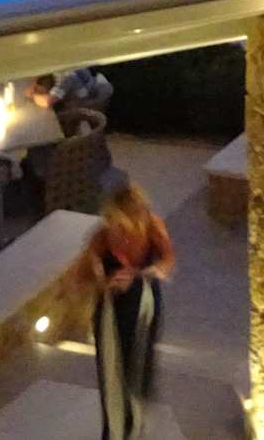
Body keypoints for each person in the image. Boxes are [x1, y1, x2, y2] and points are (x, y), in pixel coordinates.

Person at [74, 181, 175, 439]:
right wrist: (105, 282)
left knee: (139, 366)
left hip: (144, 305)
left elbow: (167, 261)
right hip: (113, 309)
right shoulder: (103, 236)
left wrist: (143, 274)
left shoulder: (153, 227)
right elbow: (84, 274)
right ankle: (116, 429)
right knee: (112, 371)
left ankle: (134, 425)